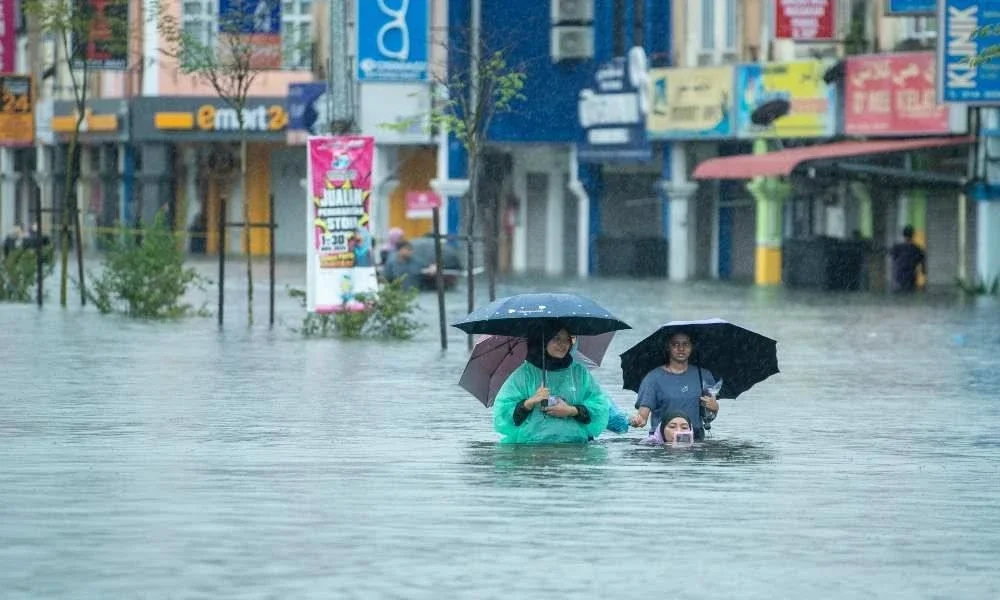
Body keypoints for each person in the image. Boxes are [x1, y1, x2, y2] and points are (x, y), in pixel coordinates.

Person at [493, 327, 611, 444]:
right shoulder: (525, 374)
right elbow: (503, 413)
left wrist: (571, 411)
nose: (562, 344)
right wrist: (529, 403)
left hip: (575, 445)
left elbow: (599, 406)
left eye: (567, 339)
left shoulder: (579, 372)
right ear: (542, 340)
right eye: (556, 338)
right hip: (532, 447)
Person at [628, 331, 720, 441]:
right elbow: (642, 418)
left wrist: (715, 409)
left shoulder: (703, 375)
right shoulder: (653, 378)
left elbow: (708, 417)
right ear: (668, 347)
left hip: (695, 438)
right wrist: (636, 421)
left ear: (692, 347)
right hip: (664, 440)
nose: (681, 348)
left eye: (685, 344)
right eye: (675, 344)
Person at [889, 225, 926, 293]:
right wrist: (923, 271)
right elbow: (922, 262)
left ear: (903, 235)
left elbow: (893, 259)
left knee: (899, 295)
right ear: (913, 235)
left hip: (899, 276)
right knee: (910, 295)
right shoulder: (917, 249)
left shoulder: (897, 247)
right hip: (911, 276)